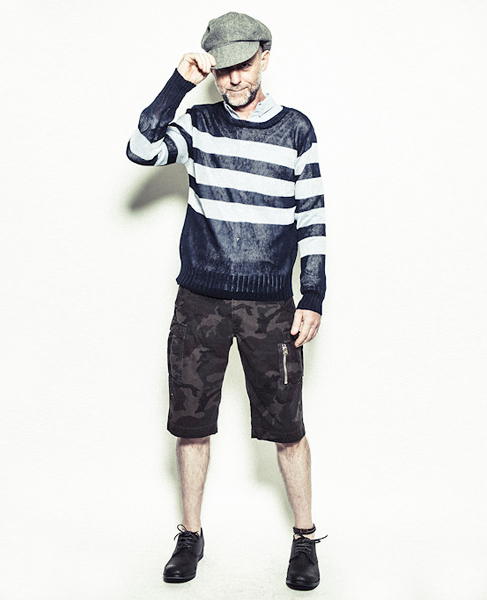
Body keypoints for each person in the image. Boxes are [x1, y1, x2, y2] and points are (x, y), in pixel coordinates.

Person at [126, 11, 327, 591]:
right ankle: (189, 535)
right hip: (200, 303)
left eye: (243, 66)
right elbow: (140, 149)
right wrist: (178, 83)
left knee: (287, 427)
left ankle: (305, 537)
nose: (234, 80)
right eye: (223, 70)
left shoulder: (296, 130)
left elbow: (312, 218)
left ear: (264, 57)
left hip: (271, 307)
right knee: (191, 425)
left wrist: (312, 294)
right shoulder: (198, 121)